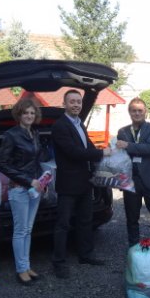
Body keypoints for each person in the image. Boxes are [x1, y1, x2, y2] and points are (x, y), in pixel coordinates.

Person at [51, 89, 111, 279]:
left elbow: (88, 147)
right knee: (63, 224)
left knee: (86, 220)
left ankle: (85, 254)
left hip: (85, 182)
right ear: (65, 104)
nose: (76, 105)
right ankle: (58, 262)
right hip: (68, 184)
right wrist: (101, 154)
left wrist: (102, 153)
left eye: (78, 101)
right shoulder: (60, 126)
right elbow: (73, 152)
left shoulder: (79, 124)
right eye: (72, 102)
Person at [0, 99, 46, 286]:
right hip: (18, 189)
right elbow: (3, 164)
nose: (29, 116)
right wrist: (28, 180)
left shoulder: (34, 133)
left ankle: (26, 266)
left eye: (32, 113)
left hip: (34, 189)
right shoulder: (11, 135)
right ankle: (20, 269)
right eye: (26, 113)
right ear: (19, 114)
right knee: (20, 231)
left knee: (28, 230)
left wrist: (43, 180)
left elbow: (36, 161)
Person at [115, 98, 150, 247]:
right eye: (134, 110)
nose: (137, 113)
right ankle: (133, 247)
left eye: (140, 110)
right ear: (129, 112)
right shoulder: (122, 131)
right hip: (131, 180)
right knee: (132, 217)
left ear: (145, 112)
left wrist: (127, 145)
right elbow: (121, 155)